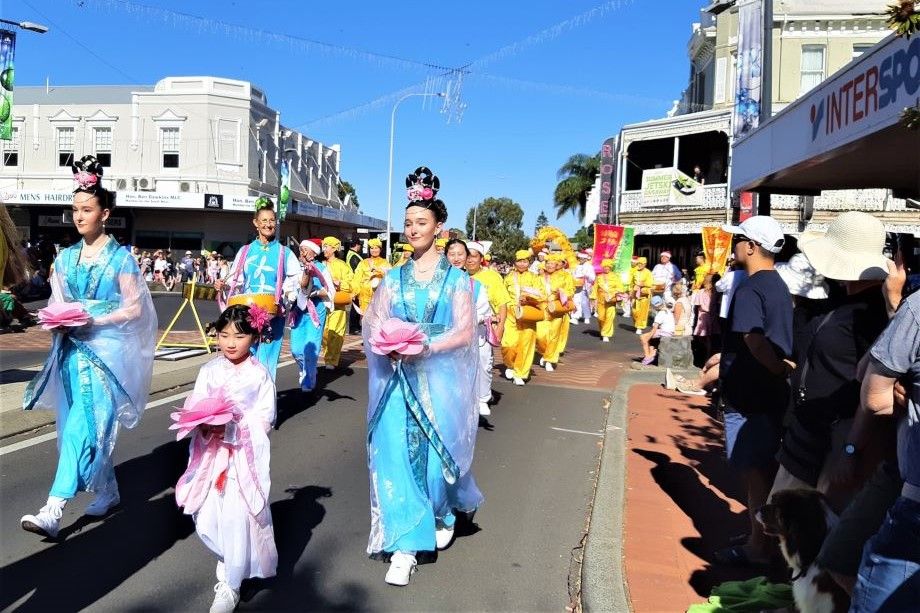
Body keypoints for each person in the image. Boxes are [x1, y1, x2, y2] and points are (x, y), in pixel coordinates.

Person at [20, 155, 156, 537]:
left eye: (87, 209)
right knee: (85, 425)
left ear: (105, 213)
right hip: (71, 350)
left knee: (83, 424)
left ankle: (54, 506)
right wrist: (57, 319)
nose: (79, 216)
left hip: (107, 352)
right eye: (75, 209)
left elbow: (134, 308)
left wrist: (93, 318)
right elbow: (57, 302)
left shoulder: (120, 259)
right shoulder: (65, 258)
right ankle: (109, 489)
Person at [363, 166, 482, 586]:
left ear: (439, 227)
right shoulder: (393, 277)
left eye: (421, 222)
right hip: (398, 379)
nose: (413, 229)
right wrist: (386, 341)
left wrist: (426, 346)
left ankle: (443, 509)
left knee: (434, 465)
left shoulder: (457, 280)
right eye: (409, 222)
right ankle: (404, 546)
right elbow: (375, 319)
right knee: (396, 457)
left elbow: (465, 331)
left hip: (438, 380)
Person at [772, 214, 892, 513]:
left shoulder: (873, 313)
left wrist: (851, 449)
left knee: (816, 527)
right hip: (810, 428)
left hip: (840, 436)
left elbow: (877, 388)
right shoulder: (838, 299)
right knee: (784, 517)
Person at [175, 305, 278, 613]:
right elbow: (196, 403)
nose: (231, 342)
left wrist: (234, 427)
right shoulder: (209, 370)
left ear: (254, 336)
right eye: (224, 335)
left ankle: (230, 583)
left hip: (240, 458)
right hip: (210, 452)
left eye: (239, 335)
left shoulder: (259, 375)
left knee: (235, 515)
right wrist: (202, 422)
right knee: (206, 517)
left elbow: (265, 418)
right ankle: (232, 559)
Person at [715, 215, 793, 567]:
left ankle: (756, 546)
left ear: (751, 246)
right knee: (761, 468)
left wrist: (774, 366)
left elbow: (753, 338)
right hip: (767, 392)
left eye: (739, 240)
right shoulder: (776, 283)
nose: (734, 247)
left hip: (748, 395)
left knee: (752, 470)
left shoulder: (749, 287)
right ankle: (759, 537)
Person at [214, 198, 300, 381]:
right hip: (247, 313)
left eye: (272, 221)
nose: (269, 225)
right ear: (256, 223)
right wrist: (223, 285)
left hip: (272, 313)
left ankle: (265, 405)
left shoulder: (285, 252)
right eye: (264, 221)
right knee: (245, 359)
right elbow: (235, 281)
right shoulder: (245, 251)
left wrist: (286, 297)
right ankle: (243, 403)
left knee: (267, 362)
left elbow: (295, 280)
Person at [466, 240, 510, 416]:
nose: (470, 260)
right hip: (460, 331)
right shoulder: (457, 275)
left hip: (482, 329)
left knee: (484, 364)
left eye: (474, 257)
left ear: (481, 258)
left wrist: (500, 327)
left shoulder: (491, 277)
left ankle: (483, 398)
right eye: (467, 256)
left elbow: (502, 303)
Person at [289, 239, 334, 393]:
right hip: (299, 311)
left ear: (314, 253)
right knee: (296, 349)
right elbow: (288, 288)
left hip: (316, 310)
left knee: (310, 348)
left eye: (306, 249)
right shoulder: (295, 268)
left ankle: (309, 379)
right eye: (301, 249)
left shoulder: (321, 268)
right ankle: (305, 369)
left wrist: (313, 292)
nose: (302, 252)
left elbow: (329, 291)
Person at [502, 250, 546, 386]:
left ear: (529, 262)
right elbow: (502, 296)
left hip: (528, 313)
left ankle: (521, 373)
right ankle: (511, 365)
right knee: (508, 344)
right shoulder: (508, 277)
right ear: (515, 262)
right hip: (511, 314)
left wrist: (529, 298)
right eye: (519, 261)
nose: (522, 263)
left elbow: (541, 295)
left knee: (526, 344)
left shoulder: (535, 278)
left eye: (525, 261)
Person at [320, 236, 354, 369]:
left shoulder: (342, 265)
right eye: (324, 246)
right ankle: (327, 355)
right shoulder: (320, 264)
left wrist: (340, 283)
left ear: (334, 248)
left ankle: (331, 360)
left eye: (327, 246)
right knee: (323, 332)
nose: (324, 249)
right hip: (321, 303)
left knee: (335, 333)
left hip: (337, 304)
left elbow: (350, 283)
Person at [536, 253, 572, 372]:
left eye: (552, 263)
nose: (550, 265)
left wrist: (560, 293)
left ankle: (550, 359)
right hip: (542, 309)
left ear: (557, 265)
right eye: (548, 263)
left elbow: (570, 291)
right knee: (540, 336)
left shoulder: (564, 277)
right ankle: (544, 352)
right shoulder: (539, 278)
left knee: (554, 336)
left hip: (557, 309)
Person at [353, 238, 390, 317]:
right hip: (364, 296)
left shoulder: (385, 262)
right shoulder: (363, 262)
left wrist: (378, 269)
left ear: (380, 249)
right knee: (364, 319)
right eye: (372, 248)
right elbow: (357, 278)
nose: (374, 250)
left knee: (377, 319)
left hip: (379, 296)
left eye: (376, 248)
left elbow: (390, 276)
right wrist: (355, 292)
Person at [592, 258, 624, 343]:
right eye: (605, 267)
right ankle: (603, 330)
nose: (606, 268)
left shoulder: (615, 277)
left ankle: (606, 334)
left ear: (611, 267)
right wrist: (593, 298)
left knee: (610, 317)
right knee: (601, 318)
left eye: (608, 267)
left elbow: (620, 288)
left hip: (611, 300)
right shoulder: (599, 277)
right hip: (600, 300)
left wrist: (613, 293)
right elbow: (595, 288)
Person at [691, 273, 721, 359]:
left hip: (703, 317)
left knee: (704, 338)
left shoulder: (701, 292)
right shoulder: (716, 292)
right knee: (711, 339)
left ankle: (706, 357)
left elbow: (697, 306)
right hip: (713, 316)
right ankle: (709, 356)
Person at [639, 296, 675, 365]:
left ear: (653, 306)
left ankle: (647, 356)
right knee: (651, 337)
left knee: (643, 337)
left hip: (665, 332)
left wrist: (647, 338)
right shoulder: (667, 310)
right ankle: (651, 354)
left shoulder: (660, 314)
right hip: (670, 331)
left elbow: (654, 328)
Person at [630, 257, 654, 334]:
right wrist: (630, 291)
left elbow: (651, 284)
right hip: (635, 294)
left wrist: (643, 284)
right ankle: (637, 324)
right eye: (638, 263)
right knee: (634, 311)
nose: (639, 265)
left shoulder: (648, 272)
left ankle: (640, 327)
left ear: (645, 264)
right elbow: (631, 282)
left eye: (641, 264)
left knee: (642, 312)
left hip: (644, 294)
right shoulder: (635, 271)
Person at [345, 238, 364, 334]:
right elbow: (357, 270)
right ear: (357, 245)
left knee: (356, 305)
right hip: (355, 284)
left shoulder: (351, 254)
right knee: (356, 305)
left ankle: (356, 326)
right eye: (360, 245)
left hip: (355, 283)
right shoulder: (354, 256)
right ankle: (354, 328)